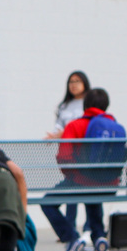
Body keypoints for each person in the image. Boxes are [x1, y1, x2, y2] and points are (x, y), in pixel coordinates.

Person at [44, 87, 122, 251]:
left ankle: (71, 238)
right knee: (93, 196)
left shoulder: (75, 125)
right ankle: (99, 237)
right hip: (109, 184)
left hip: (81, 182)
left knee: (47, 202)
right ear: (106, 105)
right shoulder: (114, 127)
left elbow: (64, 156)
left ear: (85, 105)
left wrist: (73, 176)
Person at [45, 70, 90, 238]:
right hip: (69, 154)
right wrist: (54, 135)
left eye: (78, 81)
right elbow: (59, 127)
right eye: (71, 81)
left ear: (85, 83)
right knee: (72, 188)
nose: (74, 84)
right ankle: (70, 229)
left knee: (85, 187)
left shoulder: (88, 103)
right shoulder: (64, 106)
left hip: (84, 153)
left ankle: (89, 227)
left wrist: (64, 133)